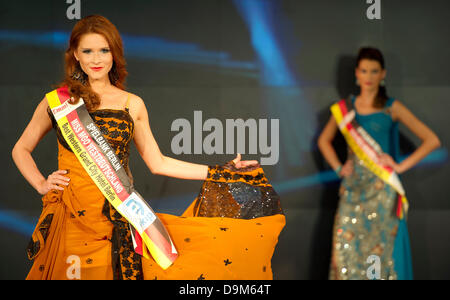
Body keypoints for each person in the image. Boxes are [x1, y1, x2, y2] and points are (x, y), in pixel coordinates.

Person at [11, 15, 285, 280]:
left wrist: (221, 172)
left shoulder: (132, 103)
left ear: (114, 54)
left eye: (104, 50)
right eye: (88, 51)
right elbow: (20, 149)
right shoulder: (57, 103)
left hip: (119, 217)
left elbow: (159, 163)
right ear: (75, 55)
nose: (96, 59)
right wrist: (40, 183)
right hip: (71, 217)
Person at [318, 47, 441, 280]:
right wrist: (338, 167)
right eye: (364, 71)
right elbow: (324, 141)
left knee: (383, 255)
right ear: (357, 73)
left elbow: (432, 140)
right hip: (352, 191)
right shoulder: (346, 109)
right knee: (347, 256)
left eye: (374, 71)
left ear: (383, 74)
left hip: (383, 192)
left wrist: (400, 166)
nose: (369, 77)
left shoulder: (391, 107)